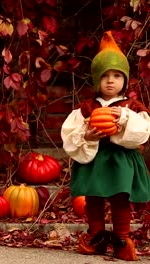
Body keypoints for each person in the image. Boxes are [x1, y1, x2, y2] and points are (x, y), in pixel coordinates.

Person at [61, 31, 150, 261]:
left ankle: (122, 238)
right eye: (105, 76)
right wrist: (87, 135)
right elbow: (70, 133)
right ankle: (97, 236)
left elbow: (143, 131)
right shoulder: (87, 107)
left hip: (121, 160)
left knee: (121, 197)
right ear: (96, 80)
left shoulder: (131, 106)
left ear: (125, 80)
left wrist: (124, 119)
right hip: (96, 159)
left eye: (117, 75)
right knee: (94, 197)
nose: (111, 80)